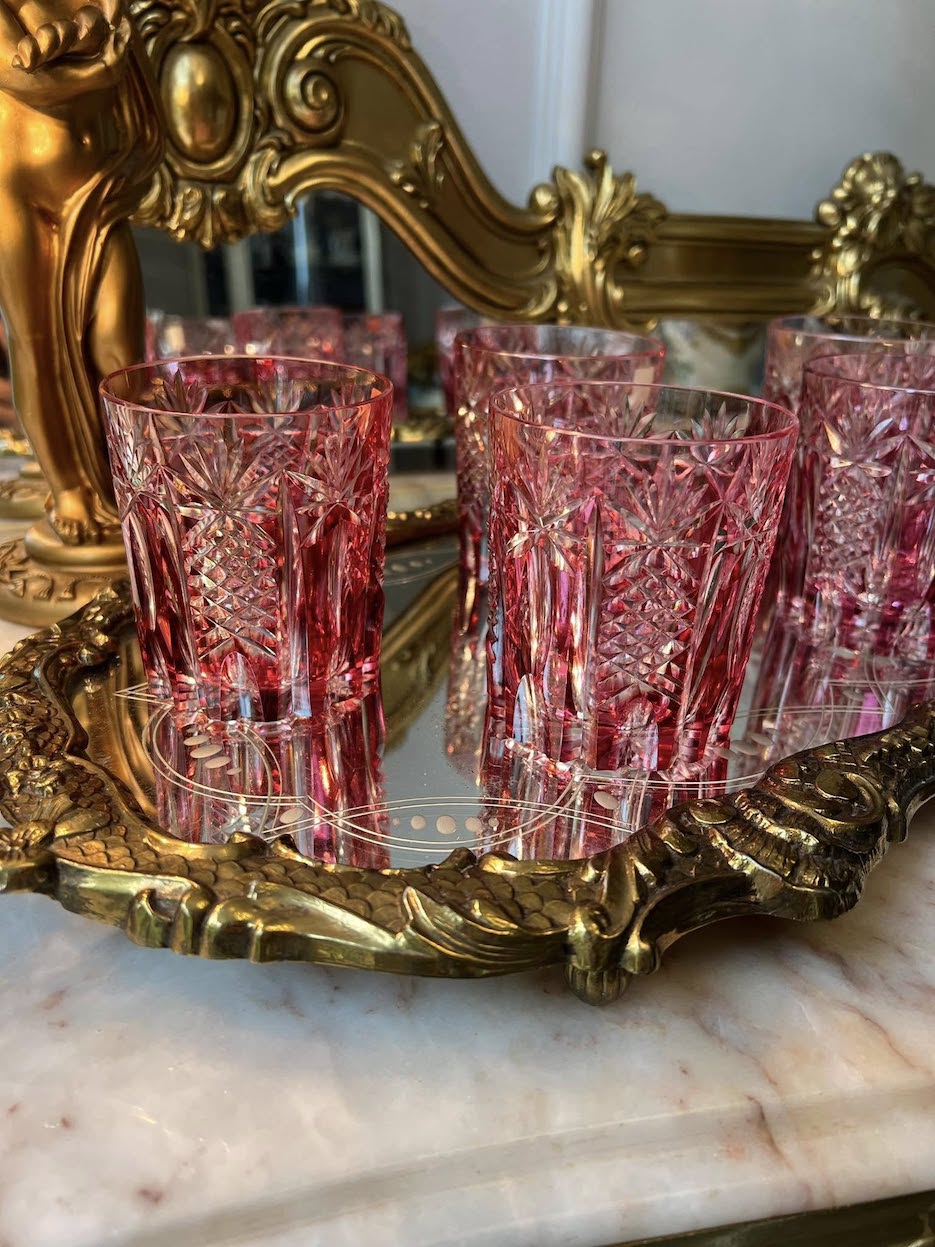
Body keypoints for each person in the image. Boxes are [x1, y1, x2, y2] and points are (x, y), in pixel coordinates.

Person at [0, 0, 162, 543]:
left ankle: (134, 479)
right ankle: (69, 486)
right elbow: (24, 80)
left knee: (120, 346)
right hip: (18, 195)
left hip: (97, 191)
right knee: (37, 344)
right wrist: (101, 70)